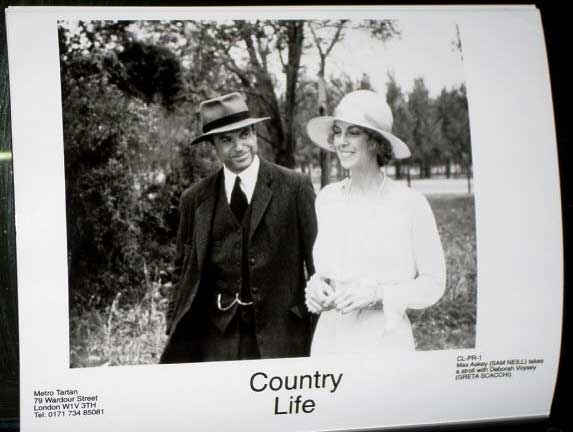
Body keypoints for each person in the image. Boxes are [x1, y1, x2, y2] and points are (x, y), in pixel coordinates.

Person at [160, 92, 317, 363]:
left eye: (245, 135)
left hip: (283, 336)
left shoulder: (295, 188)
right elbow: (181, 270)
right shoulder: (194, 199)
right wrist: (173, 323)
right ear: (213, 146)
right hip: (216, 341)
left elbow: (318, 266)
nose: (239, 146)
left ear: (255, 134)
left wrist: (317, 328)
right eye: (226, 140)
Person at [305, 90, 446, 354]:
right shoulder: (327, 199)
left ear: (375, 142)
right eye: (338, 132)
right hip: (330, 340)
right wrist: (315, 286)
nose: (341, 142)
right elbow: (326, 270)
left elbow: (433, 284)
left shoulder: (410, 204)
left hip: (383, 340)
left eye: (353, 132)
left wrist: (378, 295)